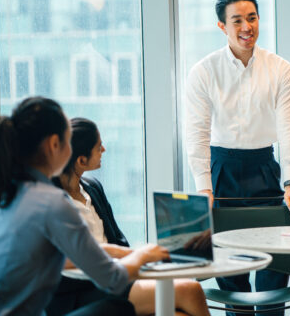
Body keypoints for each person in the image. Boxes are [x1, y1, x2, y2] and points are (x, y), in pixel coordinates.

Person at [0, 97, 170, 316]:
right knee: (119, 306)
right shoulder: (51, 203)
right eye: (68, 139)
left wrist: (129, 252)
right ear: (54, 145)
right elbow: (112, 280)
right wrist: (144, 255)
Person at [185, 0, 290, 314]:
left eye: (251, 18)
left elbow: (289, 131)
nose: (246, 26)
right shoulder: (204, 71)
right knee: (230, 274)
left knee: (275, 271)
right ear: (222, 26)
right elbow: (196, 133)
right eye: (237, 20)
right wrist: (203, 187)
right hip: (221, 171)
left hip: (266, 167)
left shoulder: (282, 70)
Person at [48, 117, 209, 316]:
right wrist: (137, 255)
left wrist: (144, 259)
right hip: (79, 290)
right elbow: (69, 254)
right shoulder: (51, 200)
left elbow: (118, 240)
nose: (104, 150)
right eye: (99, 147)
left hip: (116, 276)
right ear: (81, 160)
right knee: (190, 290)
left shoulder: (93, 188)